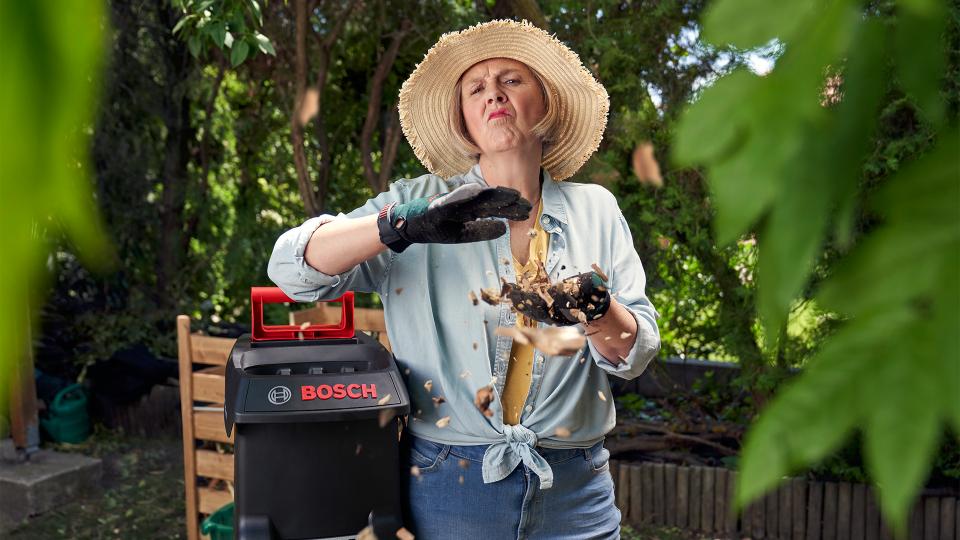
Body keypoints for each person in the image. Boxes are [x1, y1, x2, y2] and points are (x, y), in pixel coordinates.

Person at [268, 19, 660, 539]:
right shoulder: (418, 202)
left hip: (576, 490)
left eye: (512, 80)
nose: (494, 93)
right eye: (476, 88)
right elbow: (291, 270)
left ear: (547, 103)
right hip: (450, 482)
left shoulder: (597, 209)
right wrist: (401, 226)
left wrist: (597, 311)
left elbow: (637, 351)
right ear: (463, 121)